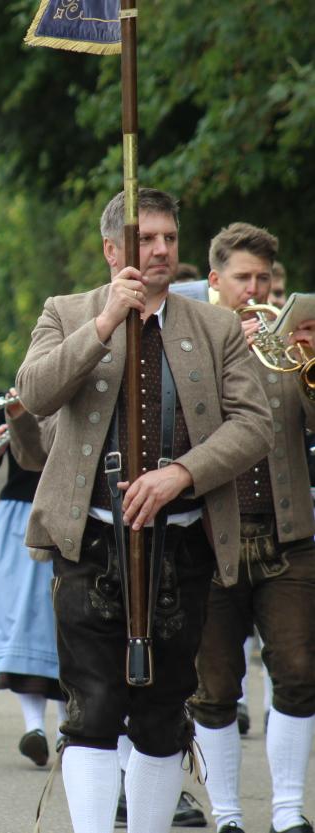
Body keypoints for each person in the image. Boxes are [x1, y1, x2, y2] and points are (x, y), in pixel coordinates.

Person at [12, 188, 272, 833]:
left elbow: (254, 425)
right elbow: (36, 391)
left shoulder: (213, 326)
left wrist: (181, 474)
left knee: (162, 712)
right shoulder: (65, 311)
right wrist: (102, 324)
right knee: (93, 708)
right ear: (111, 251)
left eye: (168, 239)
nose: (159, 250)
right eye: (144, 239)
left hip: (182, 543)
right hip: (90, 543)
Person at [190, 223, 315, 833]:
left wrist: (310, 358)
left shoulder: (290, 346)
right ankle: (229, 813)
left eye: (265, 278)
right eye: (243, 278)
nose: (256, 289)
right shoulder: (191, 341)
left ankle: (289, 809)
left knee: (298, 671)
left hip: (289, 532)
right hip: (212, 536)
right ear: (215, 283)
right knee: (214, 686)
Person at [0, 393, 65, 766]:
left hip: (68, 515)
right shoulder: (14, 397)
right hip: (19, 518)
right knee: (21, 625)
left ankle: (67, 729)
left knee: (64, 624)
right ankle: (34, 726)